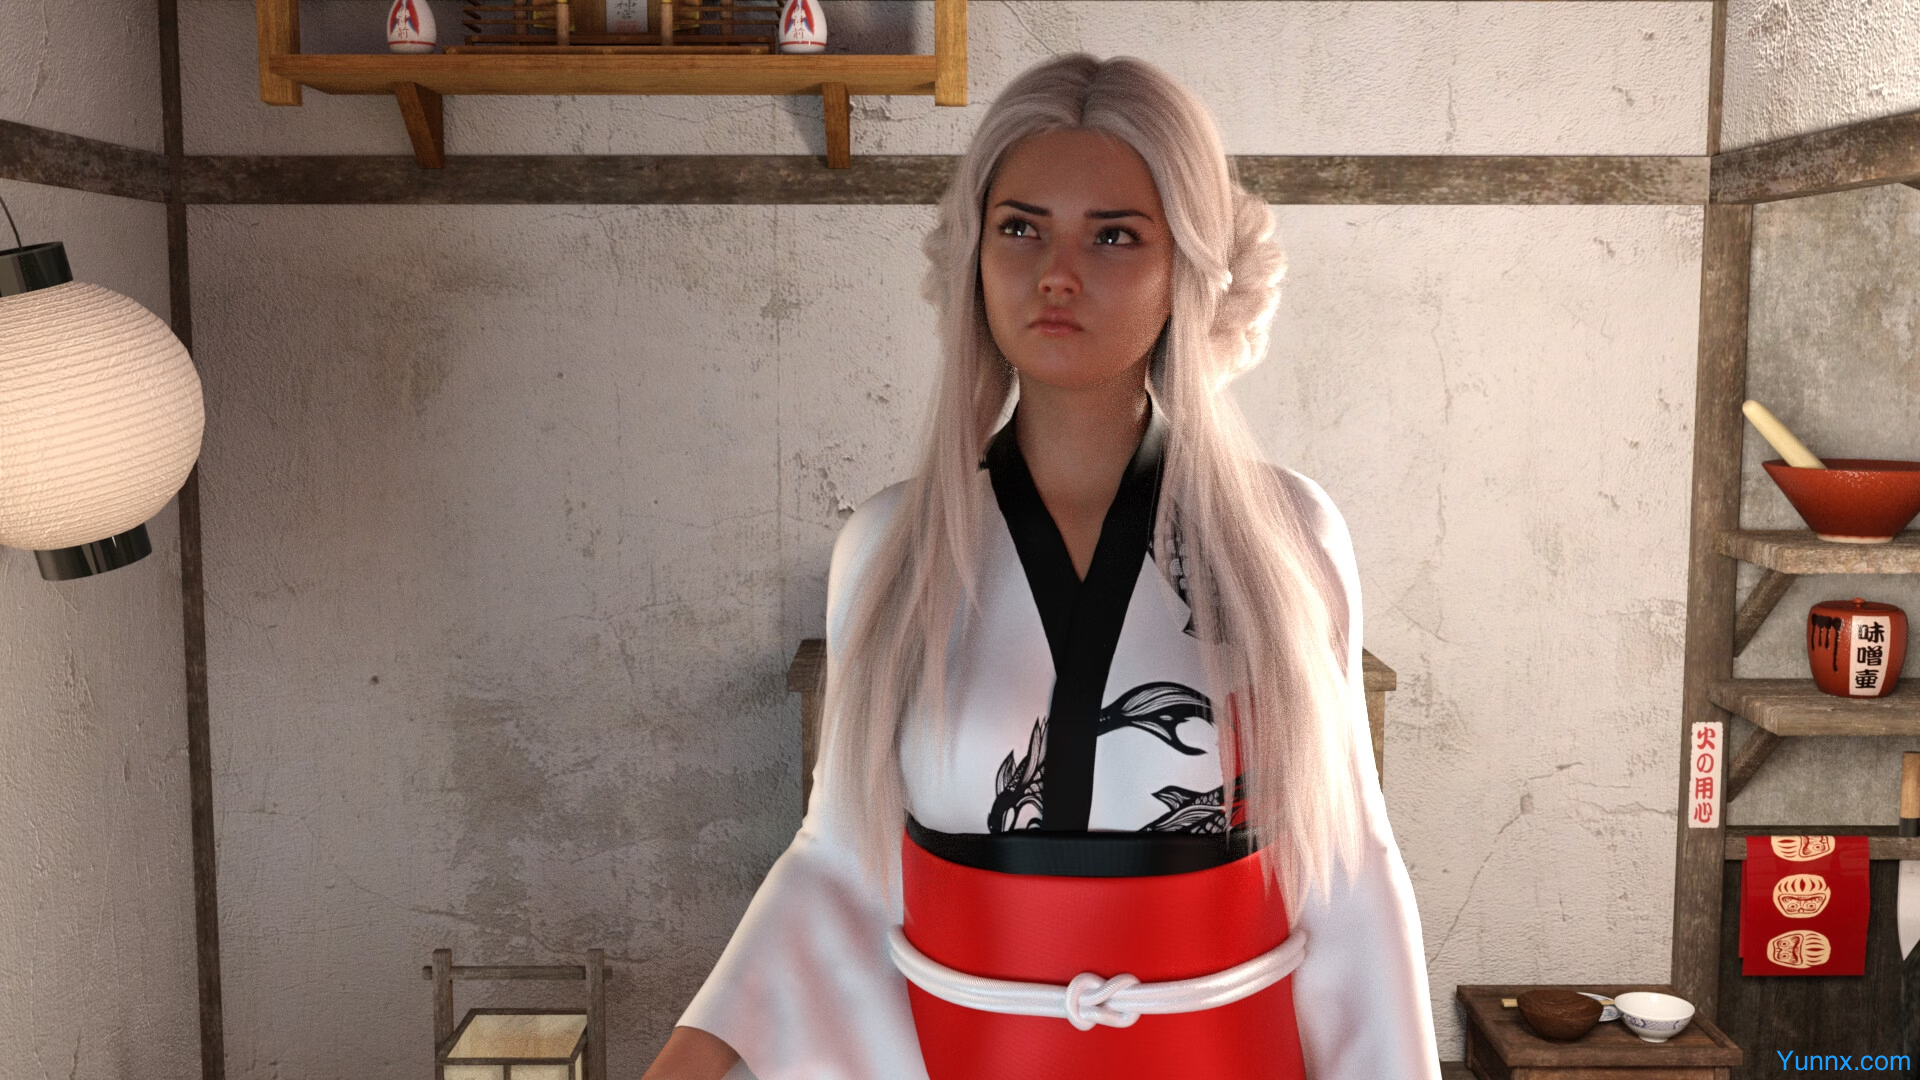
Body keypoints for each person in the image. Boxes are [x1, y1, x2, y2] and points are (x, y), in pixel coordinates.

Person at [643, 53, 1439, 1080]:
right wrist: (685, 1061)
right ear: (975, 253)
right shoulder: (890, 549)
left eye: (1114, 235)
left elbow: (1351, 875)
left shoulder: (1289, 538)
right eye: (1021, 228)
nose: (1057, 274)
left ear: (1191, 268)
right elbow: (837, 863)